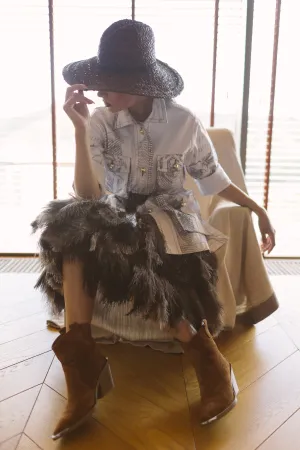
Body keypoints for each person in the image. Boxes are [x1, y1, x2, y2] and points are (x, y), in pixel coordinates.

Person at [32, 19, 276, 440]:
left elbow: (212, 178)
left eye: (107, 83)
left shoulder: (182, 122)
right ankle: (81, 369)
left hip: (172, 218)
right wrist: (78, 128)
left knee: (151, 251)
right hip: (116, 215)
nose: (99, 92)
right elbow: (88, 194)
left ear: (139, 82)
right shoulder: (101, 121)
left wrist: (258, 209)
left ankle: (212, 368)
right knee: (70, 225)